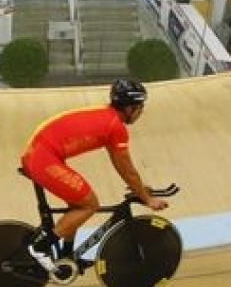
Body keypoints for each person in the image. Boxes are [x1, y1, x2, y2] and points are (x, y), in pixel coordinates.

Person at [21, 79, 168, 273]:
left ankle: (66, 255)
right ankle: (39, 248)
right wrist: (147, 198)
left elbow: (121, 166)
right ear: (130, 108)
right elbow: (127, 170)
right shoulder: (116, 127)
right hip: (43, 158)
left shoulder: (106, 115)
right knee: (90, 204)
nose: (141, 112)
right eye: (141, 107)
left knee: (77, 203)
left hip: (41, 153)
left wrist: (139, 189)